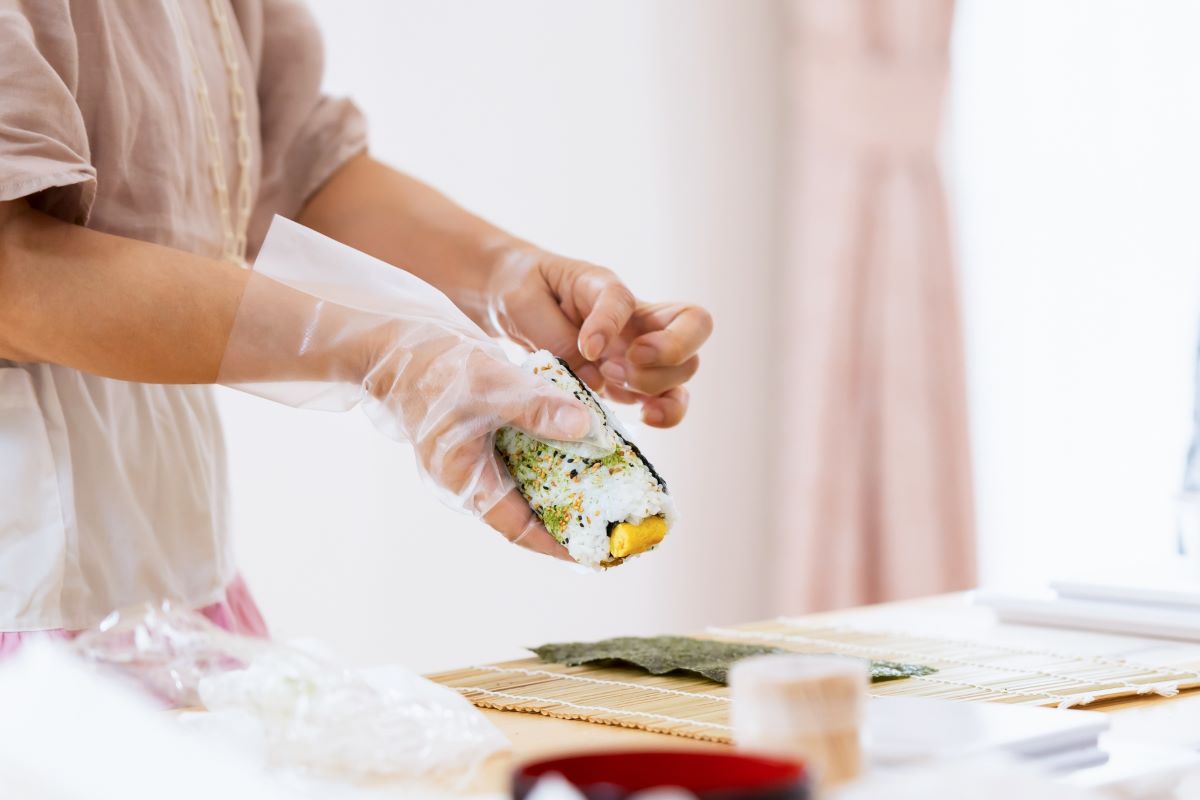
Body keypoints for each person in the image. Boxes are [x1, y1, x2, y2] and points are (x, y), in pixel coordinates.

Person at [0, 1, 711, 648]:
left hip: (175, 569)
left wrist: (509, 277)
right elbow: (14, 277)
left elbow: (291, 163)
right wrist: (386, 354)